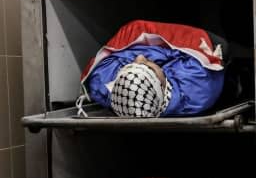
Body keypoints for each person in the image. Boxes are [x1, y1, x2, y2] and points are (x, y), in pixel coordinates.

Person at [80, 20, 226, 117]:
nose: (140, 58)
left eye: (128, 67)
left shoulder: (111, 92)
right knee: (222, 46)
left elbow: (100, 72)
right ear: (161, 85)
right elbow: (196, 52)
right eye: (147, 68)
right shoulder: (197, 84)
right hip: (214, 84)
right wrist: (161, 52)